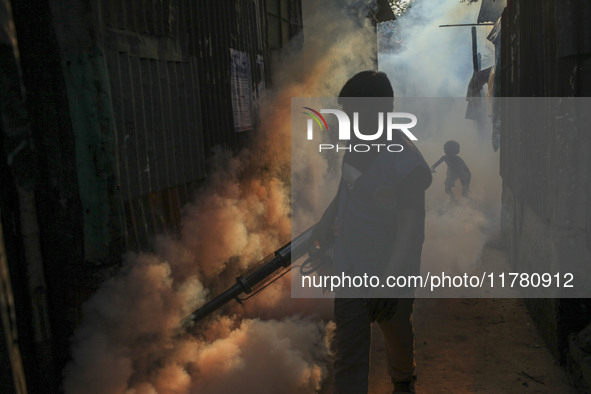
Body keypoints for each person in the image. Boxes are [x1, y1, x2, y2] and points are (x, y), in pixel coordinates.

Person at [311, 71, 431, 394]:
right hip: (351, 268)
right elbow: (346, 191)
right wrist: (324, 221)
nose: (347, 120)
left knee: (396, 333)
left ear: (380, 111)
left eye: (352, 112)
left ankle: (403, 383)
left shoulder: (406, 162)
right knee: (348, 353)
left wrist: (389, 281)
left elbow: (410, 227)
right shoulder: (355, 149)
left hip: (392, 270)